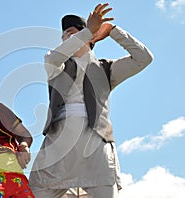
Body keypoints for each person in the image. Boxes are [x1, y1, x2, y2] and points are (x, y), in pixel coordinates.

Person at [29, 3, 153, 198]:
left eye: (70, 33)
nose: (66, 39)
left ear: (92, 39)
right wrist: (87, 31)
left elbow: (143, 58)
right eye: (64, 37)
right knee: (35, 192)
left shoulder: (107, 69)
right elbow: (54, 57)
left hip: (96, 146)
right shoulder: (56, 63)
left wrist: (112, 31)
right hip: (58, 145)